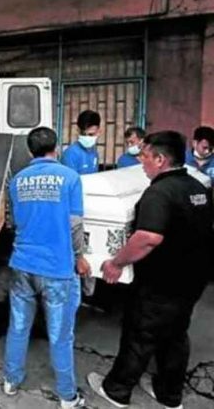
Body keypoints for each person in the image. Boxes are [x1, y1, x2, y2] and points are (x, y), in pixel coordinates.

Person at [88, 131, 214, 409]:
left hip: (162, 282)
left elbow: (148, 238)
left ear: (160, 159)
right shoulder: (197, 188)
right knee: (175, 336)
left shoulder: (159, 193)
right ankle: (169, 396)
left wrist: (116, 263)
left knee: (140, 334)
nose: (141, 162)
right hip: (192, 280)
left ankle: (116, 391)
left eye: (145, 156)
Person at [3, 127, 91, 409]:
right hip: (57, 268)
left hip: (22, 265)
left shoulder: (17, 181)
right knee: (61, 335)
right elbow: (75, 224)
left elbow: (12, 223)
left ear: (30, 151)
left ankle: (10, 380)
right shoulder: (69, 178)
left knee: (18, 327)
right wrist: (79, 256)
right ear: (57, 147)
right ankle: (67, 396)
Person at [61, 110, 101, 174]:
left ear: (99, 131)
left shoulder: (94, 153)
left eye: (91, 134)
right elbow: (71, 181)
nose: (87, 137)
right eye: (83, 134)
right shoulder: (71, 154)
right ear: (78, 130)